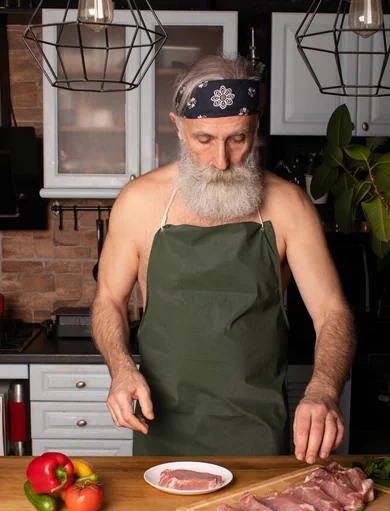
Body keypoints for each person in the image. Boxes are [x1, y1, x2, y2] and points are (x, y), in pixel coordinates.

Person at [91, 55, 356, 461]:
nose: (222, 160)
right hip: (160, 424)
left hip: (258, 430)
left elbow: (333, 312)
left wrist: (323, 389)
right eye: (204, 140)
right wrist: (121, 369)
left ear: (256, 127)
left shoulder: (288, 205)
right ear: (178, 126)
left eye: (238, 138)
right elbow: (108, 299)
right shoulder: (139, 202)